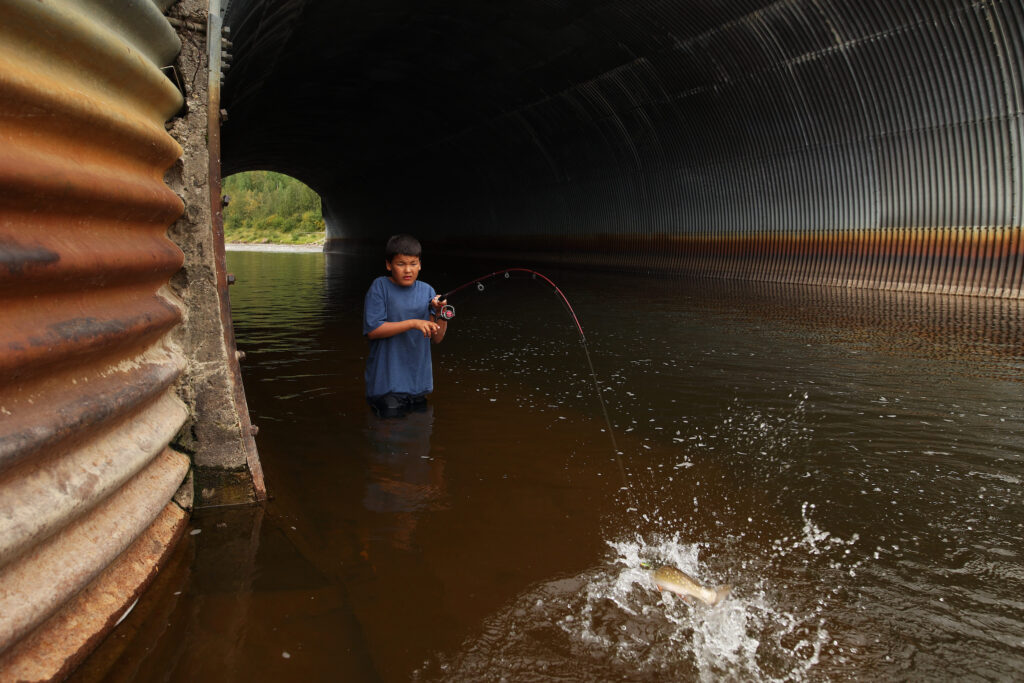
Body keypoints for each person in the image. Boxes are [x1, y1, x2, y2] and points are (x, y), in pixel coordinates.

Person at [363, 234, 449, 417]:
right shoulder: (380, 287)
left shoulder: (428, 291)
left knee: (419, 439)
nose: (408, 270)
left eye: (413, 263)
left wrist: (442, 314)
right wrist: (413, 323)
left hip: (418, 386)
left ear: (420, 264)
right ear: (389, 265)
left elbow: (437, 338)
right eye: (401, 264)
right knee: (389, 439)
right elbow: (373, 331)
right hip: (387, 387)